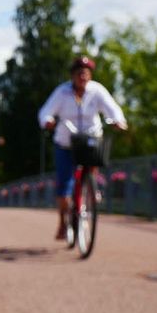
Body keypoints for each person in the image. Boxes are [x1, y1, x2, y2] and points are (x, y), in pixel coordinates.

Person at [38, 56, 127, 240]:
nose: (83, 76)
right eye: (79, 73)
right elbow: (45, 111)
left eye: (86, 73)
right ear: (73, 76)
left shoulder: (97, 90)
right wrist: (47, 121)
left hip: (90, 139)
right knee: (64, 184)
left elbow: (112, 108)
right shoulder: (62, 93)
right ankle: (63, 221)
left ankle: (91, 189)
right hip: (66, 142)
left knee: (94, 158)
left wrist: (118, 120)